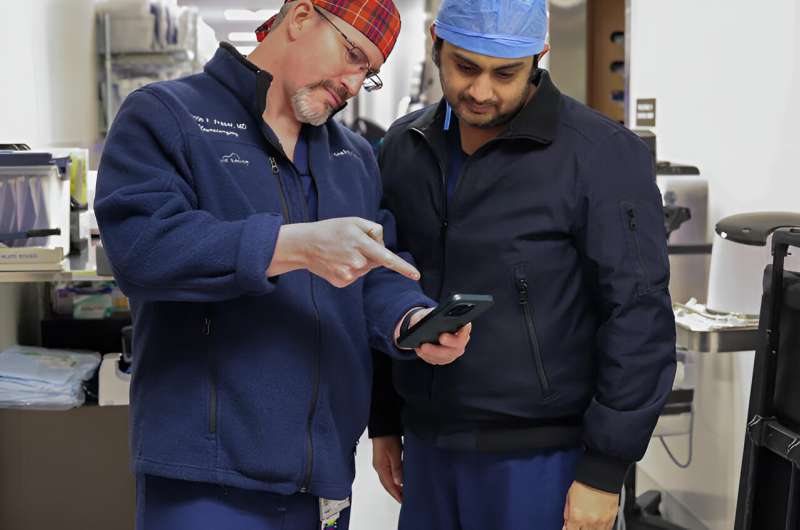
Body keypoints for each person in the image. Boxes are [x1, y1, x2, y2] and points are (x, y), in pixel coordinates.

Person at [94, 1, 470, 528]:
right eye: (351, 55)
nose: (354, 83)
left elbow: (374, 270)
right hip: (206, 479)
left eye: (369, 72)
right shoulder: (167, 115)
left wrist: (410, 321)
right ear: (300, 18)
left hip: (322, 479)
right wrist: (292, 246)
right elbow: (141, 248)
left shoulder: (352, 156)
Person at [369, 1, 677, 529]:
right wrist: (385, 419)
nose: (482, 91)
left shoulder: (601, 155)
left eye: (505, 73)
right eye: (465, 66)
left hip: (545, 458)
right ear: (436, 43)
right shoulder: (403, 147)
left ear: (539, 57)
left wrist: (604, 471)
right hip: (429, 445)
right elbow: (385, 277)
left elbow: (639, 316)